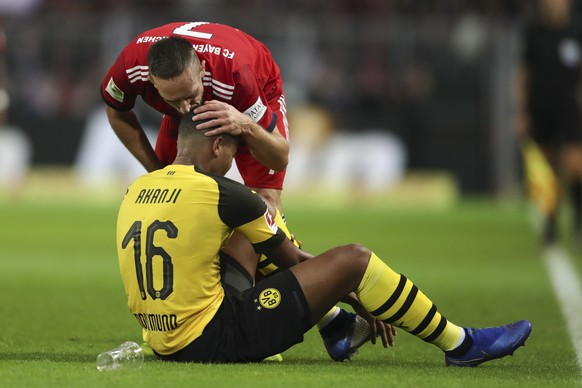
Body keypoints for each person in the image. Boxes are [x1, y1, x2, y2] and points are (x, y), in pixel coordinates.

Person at [115, 111, 532, 365]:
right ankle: (460, 344)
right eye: (234, 152)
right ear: (218, 146)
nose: (234, 161)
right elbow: (296, 261)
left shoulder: (138, 187)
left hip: (161, 338)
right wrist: (357, 295)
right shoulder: (226, 194)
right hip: (214, 338)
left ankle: (335, 329)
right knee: (353, 259)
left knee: (250, 237)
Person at [516, 0, 582, 246]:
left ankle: (577, 221)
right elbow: (523, 72)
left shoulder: (576, 31)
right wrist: (521, 111)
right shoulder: (534, 31)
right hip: (540, 108)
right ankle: (550, 225)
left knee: (576, 165)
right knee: (547, 169)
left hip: (569, 109)